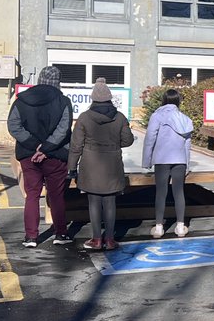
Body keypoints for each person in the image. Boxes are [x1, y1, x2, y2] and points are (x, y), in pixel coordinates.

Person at [7, 65, 74, 247]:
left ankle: (31, 237)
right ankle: (61, 234)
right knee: (56, 195)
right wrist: (46, 148)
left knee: (32, 195)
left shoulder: (21, 100)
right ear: (58, 82)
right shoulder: (63, 101)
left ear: (40, 79)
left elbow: (13, 126)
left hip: (28, 155)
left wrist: (34, 145)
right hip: (55, 155)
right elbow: (64, 129)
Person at [68, 79, 134, 251]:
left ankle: (97, 239)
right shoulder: (119, 117)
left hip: (91, 164)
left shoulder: (84, 117)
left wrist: (72, 168)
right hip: (112, 164)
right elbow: (128, 141)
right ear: (109, 98)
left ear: (93, 98)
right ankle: (110, 239)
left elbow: (76, 145)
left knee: (94, 202)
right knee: (110, 202)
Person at [142, 88, 194, 237]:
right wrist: (187, 164)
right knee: (179, 192)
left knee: (161, 192)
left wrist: (147, 161)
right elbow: (187, 145)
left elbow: (150, 138)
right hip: (180, 159)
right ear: (178, 101)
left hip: (161, 159)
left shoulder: (157, 116)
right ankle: (180, 226)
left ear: (164, 100)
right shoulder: (185, 119)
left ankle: (159, 227)